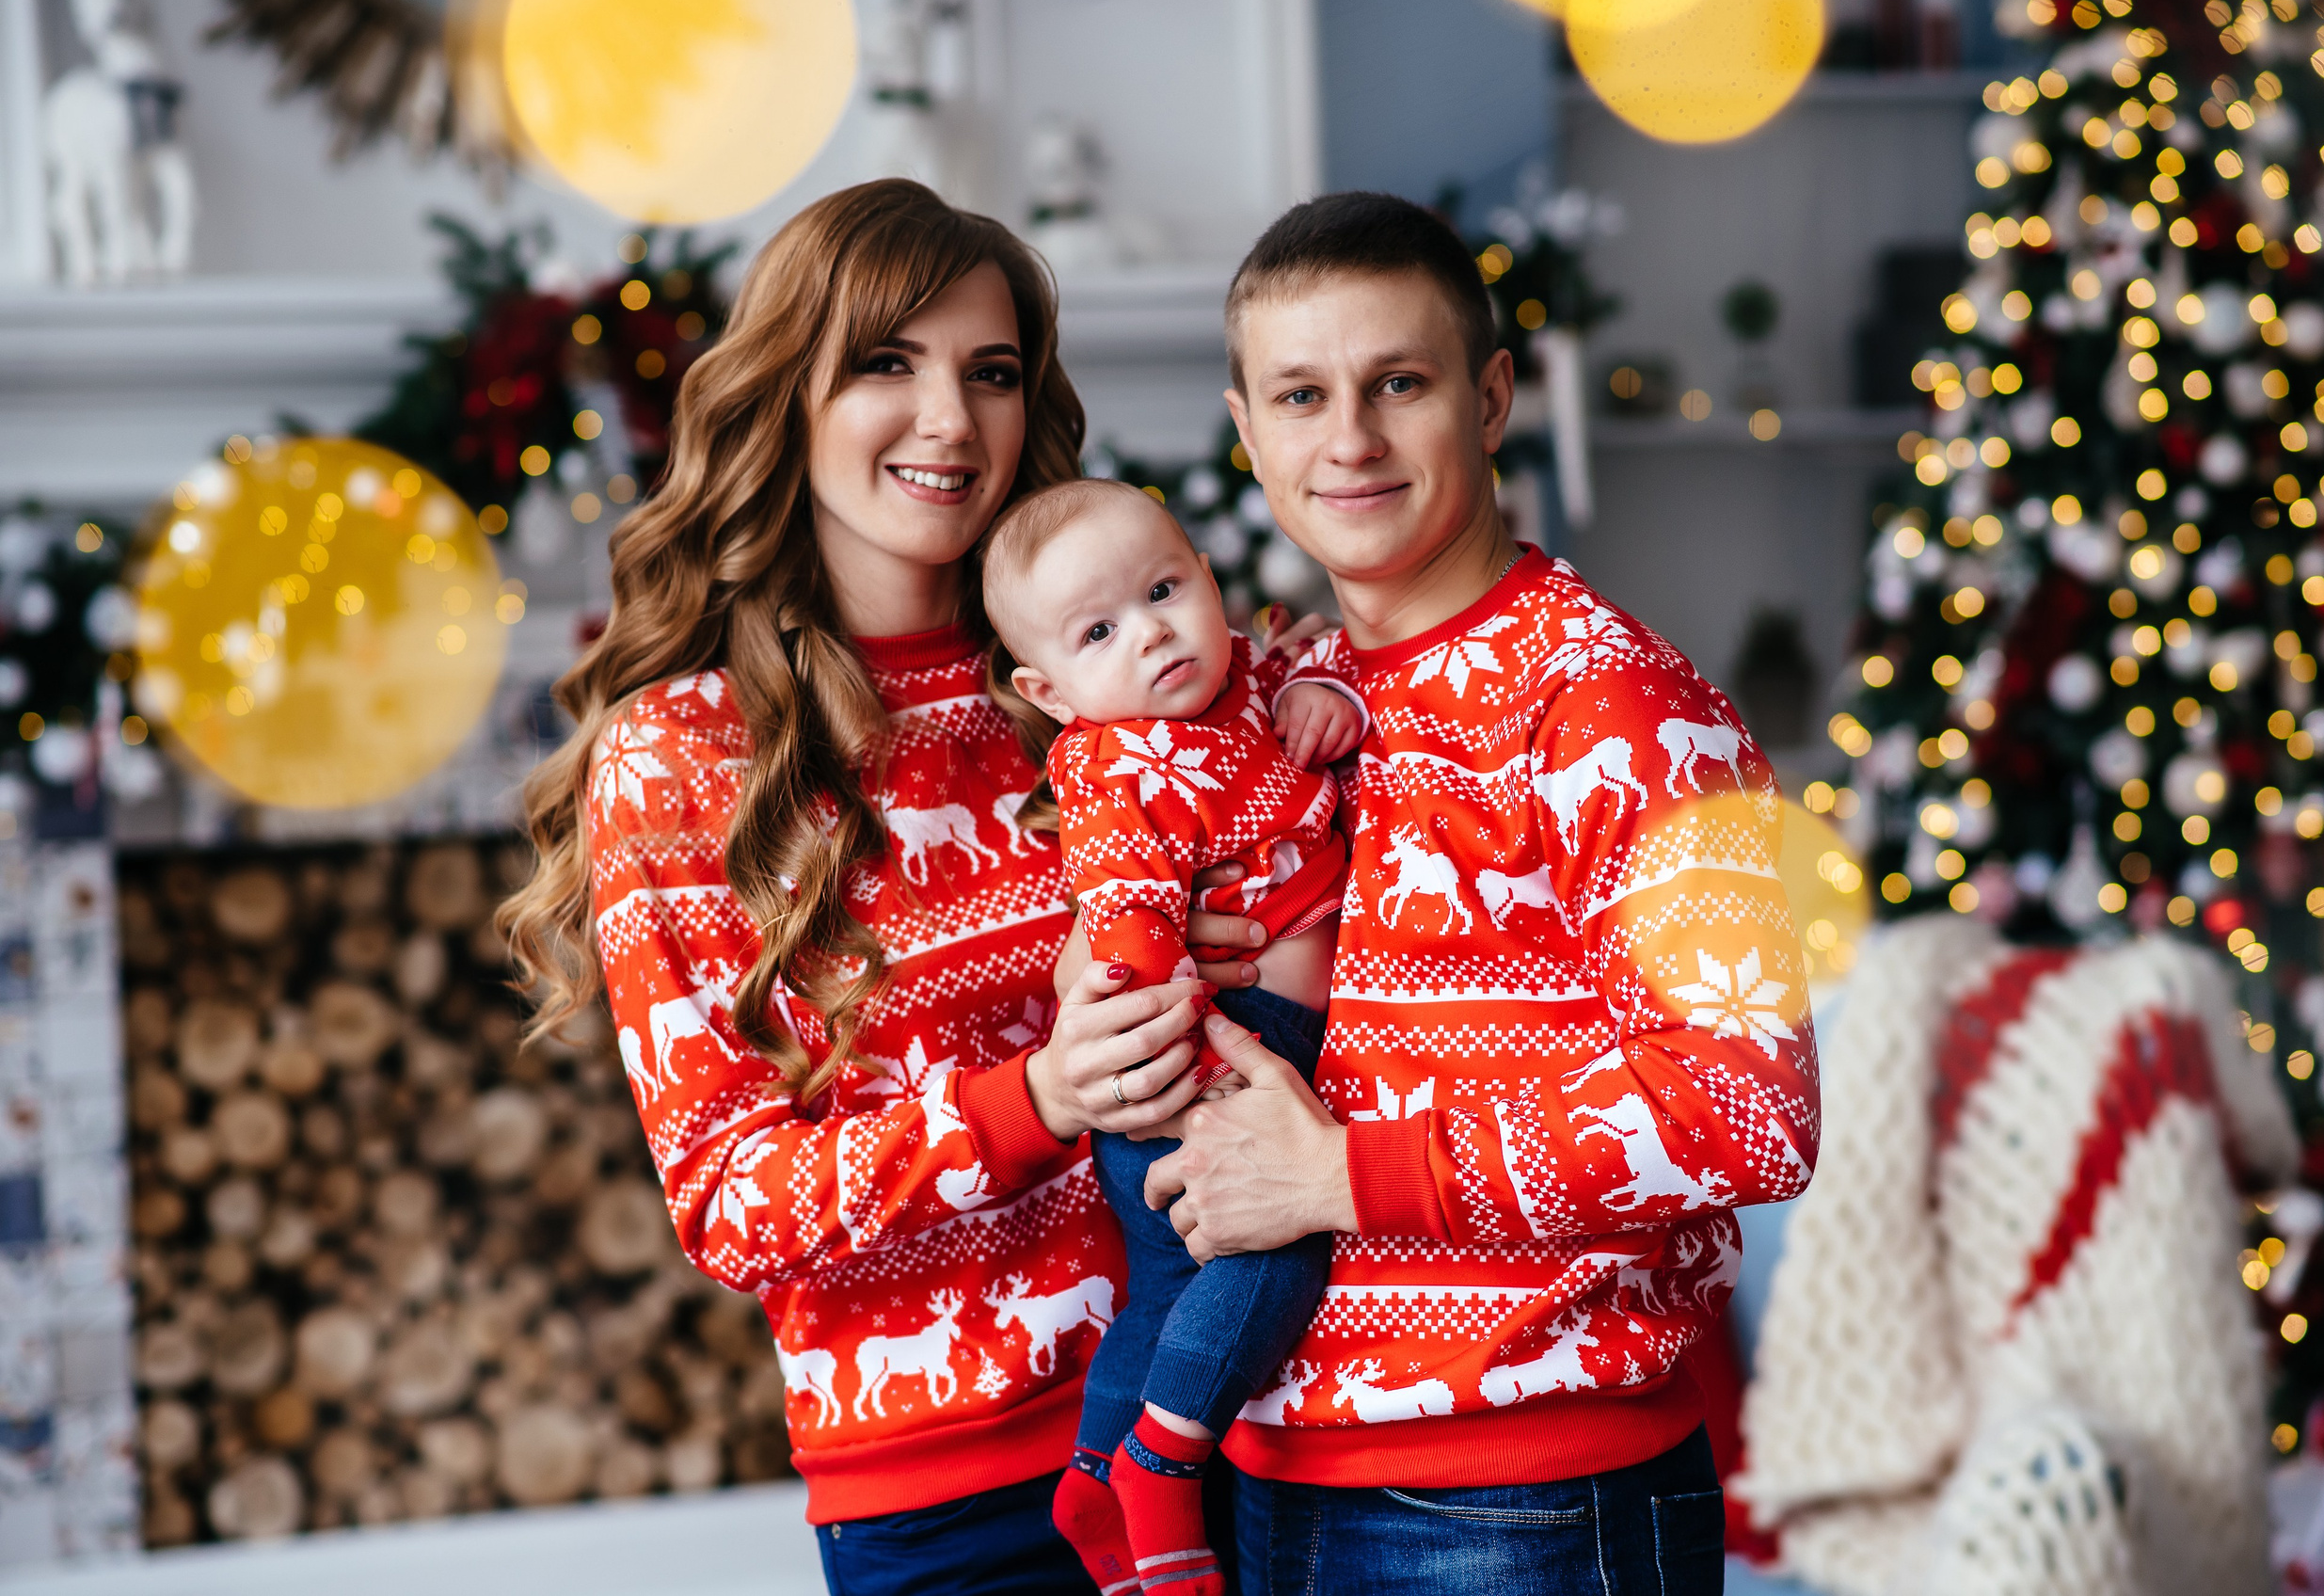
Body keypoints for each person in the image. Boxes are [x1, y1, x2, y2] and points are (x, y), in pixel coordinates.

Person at [499, 179, 1265, 1596]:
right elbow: (731, 1198)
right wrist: (1036, 1102)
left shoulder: (1094, 676)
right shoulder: (682, 757)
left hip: (1240, 1416)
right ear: (789, 393)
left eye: (991, 373)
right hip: (954, 1504)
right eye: (886, 364)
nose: (951, 421)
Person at [1140, 192, 1823, 1595]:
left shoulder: (1619, 703)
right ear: (1248, 430)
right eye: (1301, 395)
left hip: (1526, 1509)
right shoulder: (1274, 703)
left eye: (1399, 383)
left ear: (1492, 395)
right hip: (1264, 1482)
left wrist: (1342, 1172)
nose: (1351, 440)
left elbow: (1755, 1107)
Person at [981, 478, 1364, 1596]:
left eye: (1164, 589)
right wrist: (1186, 1087)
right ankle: (1162, 1458)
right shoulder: (1120, 773)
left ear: (1205, 573)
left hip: (1245, 1051)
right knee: (1278, 1252)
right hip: (1203, 1063)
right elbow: (1131, 937)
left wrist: (1328, 688)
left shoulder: (1246, 677)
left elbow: (1317, 650)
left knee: (1161, 1294)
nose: (1150, 634)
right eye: (1100, 631)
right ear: (1049, 691)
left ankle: (1093, 1476)